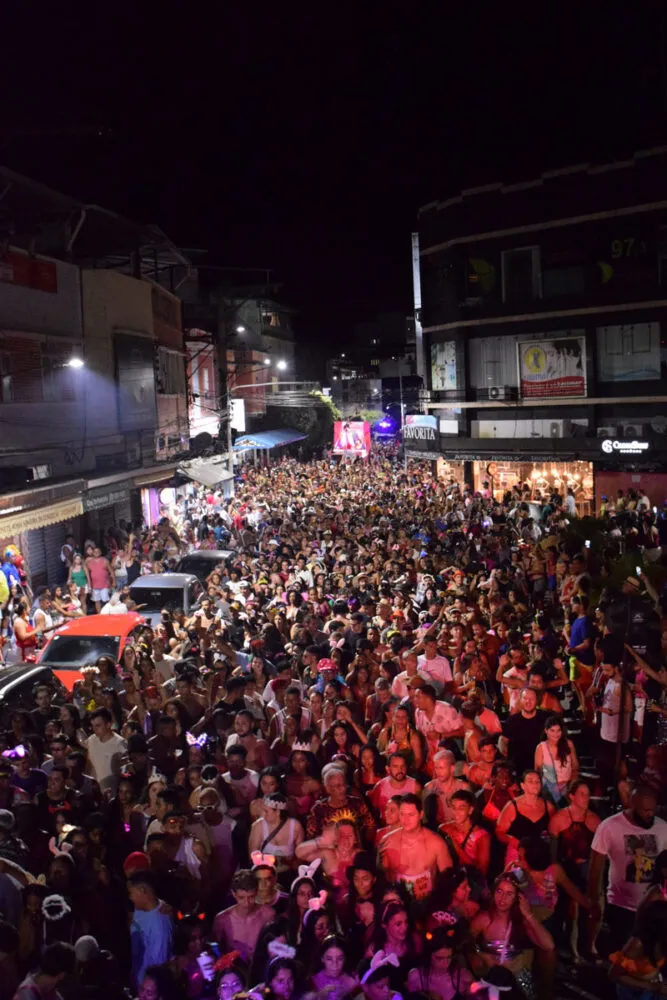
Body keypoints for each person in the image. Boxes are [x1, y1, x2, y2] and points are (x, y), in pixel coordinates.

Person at [589, 785, 667, 955]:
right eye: (645, 810)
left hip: (653, 909)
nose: (650, 814)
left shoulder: (663, 828)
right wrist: (594, 901)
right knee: (621, 955)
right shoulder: (609, 827)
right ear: (632, 805)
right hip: (621, 907)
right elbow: (595, 867)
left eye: (653, 810)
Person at [378, 792, 451, 900]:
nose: (405, 820)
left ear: (421, 814)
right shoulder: (387, 842)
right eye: (402, 814)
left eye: (411, 815)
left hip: (428, 903)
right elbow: (380, 879)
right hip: (398, 903)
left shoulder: (436, 843)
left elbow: (449, 880)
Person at [214, 869, 275, 964]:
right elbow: (215, 952)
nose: (246, 903)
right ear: (234, 894)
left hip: (261, 967)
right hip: (233, 969)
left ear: (256, 892)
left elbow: (275, 946)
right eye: (241, 898)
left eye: (251, 897)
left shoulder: (268, 914)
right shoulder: (222, 920)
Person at [127, 870, 174, 988]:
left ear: (142, 890)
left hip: (146, 987)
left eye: (131, 892)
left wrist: (145, 989)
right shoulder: (142, 908)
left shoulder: (159, 926)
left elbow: (158, 966)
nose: (130, 897)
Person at [534, 716, 579, 805]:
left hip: (568, 786)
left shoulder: (569, 744)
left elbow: (575, 768)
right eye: (552, 731)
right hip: (549, 789)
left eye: (558, 730)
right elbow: (538, 773)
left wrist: (568, 785)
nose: (556, 734)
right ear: (546, 731)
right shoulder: (541, 747)